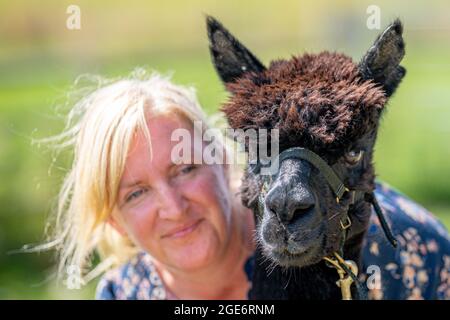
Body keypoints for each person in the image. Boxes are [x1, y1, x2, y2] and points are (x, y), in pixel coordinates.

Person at [44, 70, 449, 300]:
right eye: (136, 193)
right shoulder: (126, 296)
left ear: (222, 161)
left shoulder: (397, 247)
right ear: (114, 221)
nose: (173, 206)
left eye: (184, 169)